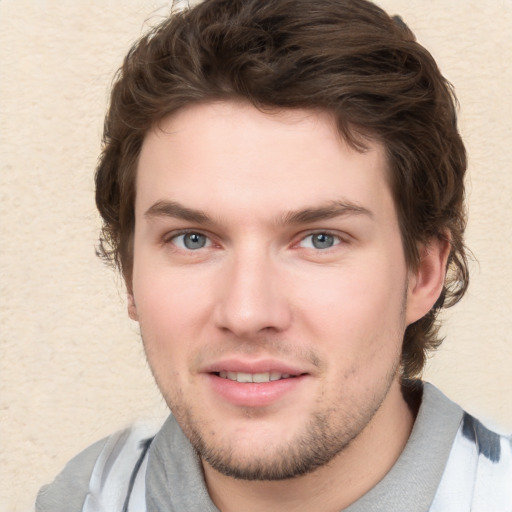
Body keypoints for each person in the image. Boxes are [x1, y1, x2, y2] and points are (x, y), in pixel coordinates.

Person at [35, 0, 512, 510]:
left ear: (423, 273)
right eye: (192, 239)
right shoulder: (80, 498)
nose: (247, 313)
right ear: (131, 276)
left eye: (320, 239)